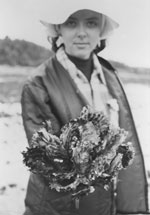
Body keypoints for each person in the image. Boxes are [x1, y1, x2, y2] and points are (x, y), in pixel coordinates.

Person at [21, 0, 149, 214]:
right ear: (58, 28)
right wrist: (110, 156)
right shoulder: (38, 83)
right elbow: (50, 160)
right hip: (57, 207)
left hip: (104, 204)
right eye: (71, 23)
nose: (82, 33)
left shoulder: (110, 77)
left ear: (101, 29)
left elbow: (127, 144)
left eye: (91, 23)